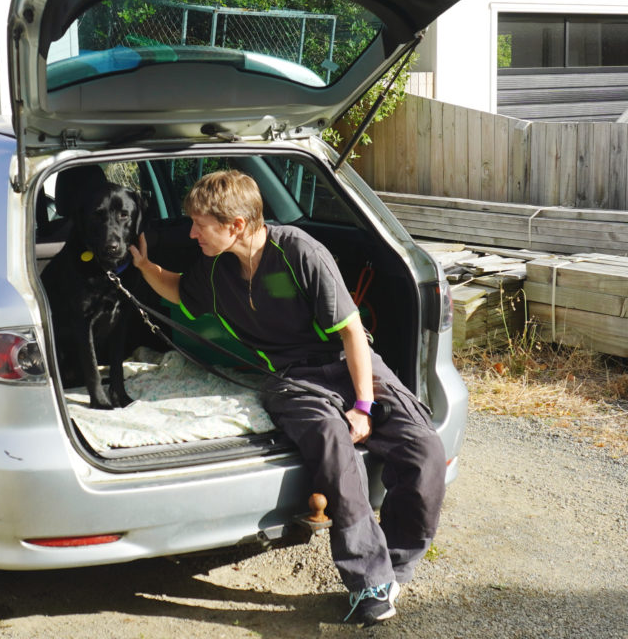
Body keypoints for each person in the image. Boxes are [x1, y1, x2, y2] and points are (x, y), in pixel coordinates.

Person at [129, 169, 446, 627]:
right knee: (335, 449)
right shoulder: (216, 268)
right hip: (289, 378)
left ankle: (395, 564)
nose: (191, 232)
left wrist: (362, 405)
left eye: (199, 223)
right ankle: (369, 582)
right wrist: (143, 268)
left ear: (235, 224)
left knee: (424, 448)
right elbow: (181, 291)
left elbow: (353, 333)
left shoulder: (299, 251)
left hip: (348, 362)